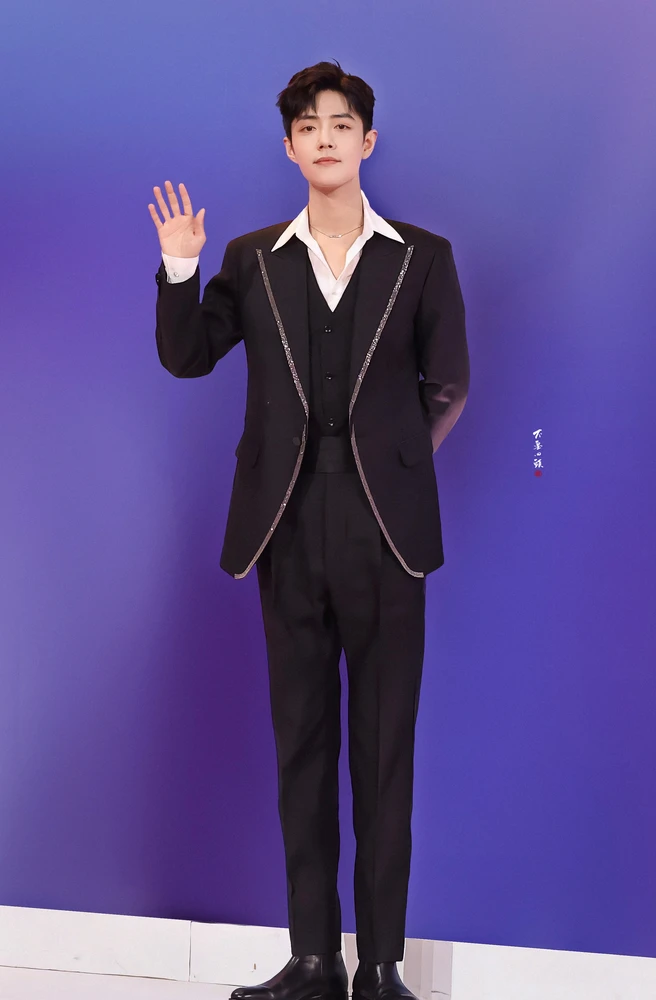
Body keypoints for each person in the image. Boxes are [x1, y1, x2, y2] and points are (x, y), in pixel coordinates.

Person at [149, 59, 469, 1000]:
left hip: (385, 534)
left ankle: (380, 969)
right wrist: (180, 266)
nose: (323, 138)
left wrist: (391, 469)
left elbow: (447, 383)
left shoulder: (421, 256)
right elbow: (186, 357)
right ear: (289, 147)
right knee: (301, 747)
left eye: (339, 124)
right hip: (282, 530)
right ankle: (315, 961)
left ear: (366, 140)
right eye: (306, 126)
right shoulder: (251, 259)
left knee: (383, 751)